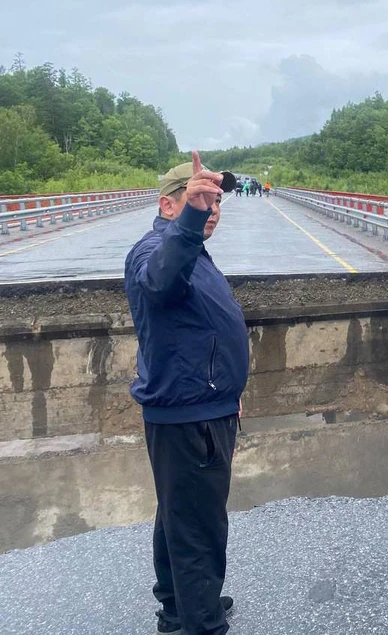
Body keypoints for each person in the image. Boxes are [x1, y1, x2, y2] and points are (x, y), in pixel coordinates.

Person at [124, 152, 249, 634]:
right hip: (188, 415)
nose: (212, 209)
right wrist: (192, 222)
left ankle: (180, 606)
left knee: (179, 515)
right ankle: (202, 622)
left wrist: (229, 389)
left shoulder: (188, 248)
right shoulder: (154, 250)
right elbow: (158, 283)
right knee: (200, 527)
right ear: (168, 206)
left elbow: (199, 332)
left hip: (200, 403)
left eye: (216, 201)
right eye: (199, 200)